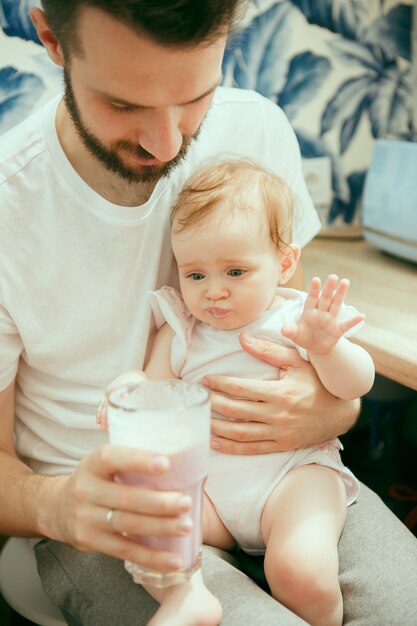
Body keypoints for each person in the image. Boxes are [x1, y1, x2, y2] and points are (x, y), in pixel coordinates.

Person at [0, 2, 416, 625]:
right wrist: (61, 506)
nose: (166, 143)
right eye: (124, 104)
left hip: (286, 474)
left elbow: (286, 326)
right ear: (53, 40)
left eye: (197, 97)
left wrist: (333, 405)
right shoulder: (10, 204)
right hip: (118, 514)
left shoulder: (256, 130)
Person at [99, 159, 374, 626]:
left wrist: (326, 349)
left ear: (284, 264)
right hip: (211, 494)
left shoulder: (298, 319)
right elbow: (155, 386)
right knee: (134, 522)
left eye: (236, 272)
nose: (214, 293)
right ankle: (186, 596)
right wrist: (128, 388)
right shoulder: (183, 331)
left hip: (293, 479)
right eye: (197, 275)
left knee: (299, 571)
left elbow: (356, 383)